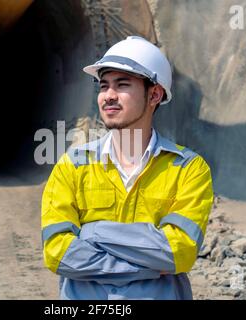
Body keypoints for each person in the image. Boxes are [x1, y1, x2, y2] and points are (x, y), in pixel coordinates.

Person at [41, 36, 214, 300]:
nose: (108, 96)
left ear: (154, 94)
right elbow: (57, 253)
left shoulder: (188, 169)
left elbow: (179, 252)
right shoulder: (73, 166)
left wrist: (92, 232)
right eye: (103, 86)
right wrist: (151, 264)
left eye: (122, 85)